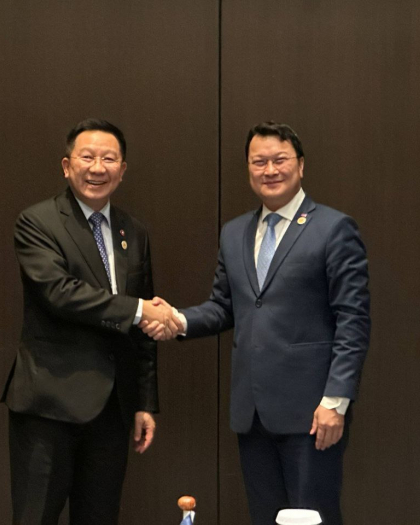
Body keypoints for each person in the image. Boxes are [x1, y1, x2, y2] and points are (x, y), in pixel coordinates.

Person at [143, 121, 371, 525]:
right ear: (248, 169)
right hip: (253, 414)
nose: (270, 170)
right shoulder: (234, 233)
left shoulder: (334, 228)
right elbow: (223, 307)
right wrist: (177, 320)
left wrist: (336, 401)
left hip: (313, 414)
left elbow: (352, 320)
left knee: (312, 518)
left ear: (301, 165)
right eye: (259, 162)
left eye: (280, 160)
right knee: (264, 517)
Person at [2, 118, 180, 525]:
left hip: (111, 411)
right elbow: (59, 293)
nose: (97, 168)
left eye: (109, 159)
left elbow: (143, 330)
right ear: (67, 166)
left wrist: (144, 402)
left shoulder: (134, 232)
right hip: (48, 405)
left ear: (122, 170)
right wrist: (139, 310)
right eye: (87, 157)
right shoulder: (37, 222)